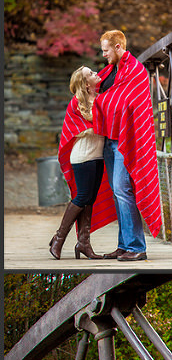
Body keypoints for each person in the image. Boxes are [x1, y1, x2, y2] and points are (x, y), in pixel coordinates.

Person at [92, 29, 163, 261]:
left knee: (123, 189)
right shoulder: (109, 72)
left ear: (118, 47)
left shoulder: (136, 72)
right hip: (109, 140)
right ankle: (123, 245)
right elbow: (104, 98)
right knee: (116, 191)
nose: (104, 55)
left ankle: (137, 247)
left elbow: (132, 107)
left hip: (127, 140)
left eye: (106, 50)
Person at [51, 66, 117, 259]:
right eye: (91, 74)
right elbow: (82, 129)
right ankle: (58, 238)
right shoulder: (77, 103)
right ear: (87, 83)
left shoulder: (102, 99)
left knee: (89, 200)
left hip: (97, 157)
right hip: (82, 157)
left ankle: (83, 243)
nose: (97, 74)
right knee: (82, 197)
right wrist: (100, 127)